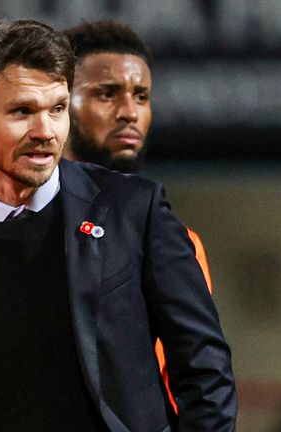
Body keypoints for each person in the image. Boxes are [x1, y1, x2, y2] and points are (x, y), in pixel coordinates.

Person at [0, 19, 237, 431]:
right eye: (22, 112)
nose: (45, 131)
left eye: (57, 109)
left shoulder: (136, 210)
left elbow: (203, 366)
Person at [62, 20, 214, 412]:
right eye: (107, 93)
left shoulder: (181, 242)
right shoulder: (15, 224)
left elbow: (197, 371)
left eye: (141, 96)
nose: (129, 112)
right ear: (58, 103)